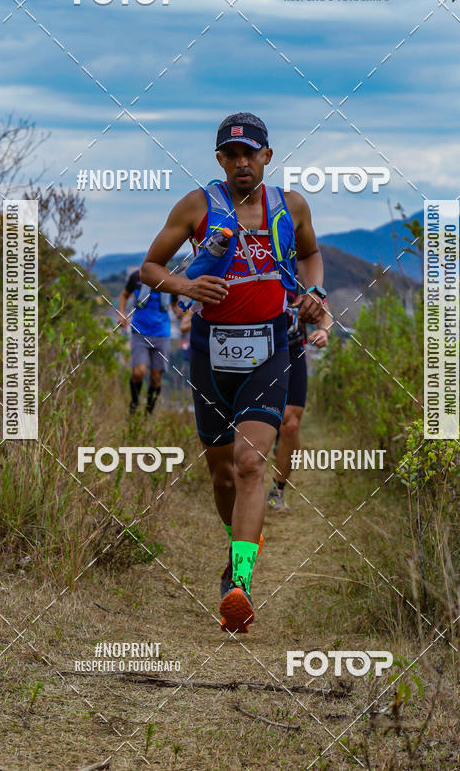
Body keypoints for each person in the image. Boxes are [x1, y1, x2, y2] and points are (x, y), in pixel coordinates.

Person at [140, 112, 326, 633]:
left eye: (251, 153)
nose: (242, 163)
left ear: (268, 155)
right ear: (220, 160)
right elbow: (150, 269)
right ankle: (235, 556)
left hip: (271, 347)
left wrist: (314, 294)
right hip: (208, 351)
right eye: (232, 155)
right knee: (222, 474)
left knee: (249, 465)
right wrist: (187, 286)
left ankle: (241, 584)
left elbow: (311, 256)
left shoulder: (292, 206)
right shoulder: (198, 205)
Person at [267, 301, 333, 512]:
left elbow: (325, 310)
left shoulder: (299, 275)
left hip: (293, 350)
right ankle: (242, 483)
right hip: (254, 353)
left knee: (292, 424)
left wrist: (324, 331)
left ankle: (277, 490)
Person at [117, 268, 181, 415]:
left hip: (162, 334)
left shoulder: (170, 279)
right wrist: (122, 313)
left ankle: (148, 412)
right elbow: (124, 295)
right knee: (138, 372)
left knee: (156, 377)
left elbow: (175, 304)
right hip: (139, 332)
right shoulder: (137, 276)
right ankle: (134, 404)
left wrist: (180, 312)